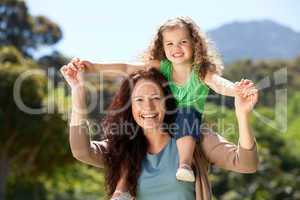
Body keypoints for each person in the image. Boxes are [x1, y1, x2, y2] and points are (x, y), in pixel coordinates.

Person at [67, 17, 252, 195]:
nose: (176, 49)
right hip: (165, 123)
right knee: (128, 145)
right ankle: (121, 190)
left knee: (186, 114)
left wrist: (237, 93)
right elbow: (126, 68)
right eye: (169, 44)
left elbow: (218, 83)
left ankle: (184, 164)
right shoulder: (163, 68)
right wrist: (92, 71)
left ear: (195, 44)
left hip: (188, 122)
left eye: (183, 42)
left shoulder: (200, 74)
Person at [60, 64, 259, 200]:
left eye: (155, 98)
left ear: (168, 102)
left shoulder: (193, 137)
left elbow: (246, 164)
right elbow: (81, 151)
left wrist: (242, 115)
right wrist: (78, 91)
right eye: (139, 100)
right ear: (129, 106)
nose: (148, 107)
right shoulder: (123, 148)